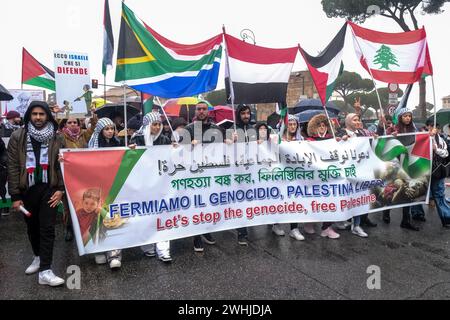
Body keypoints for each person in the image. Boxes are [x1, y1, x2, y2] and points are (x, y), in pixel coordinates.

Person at [7, 101, 65, 286]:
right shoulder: (18, 136)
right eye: (35, 114)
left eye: (42, 114)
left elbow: (62, 166)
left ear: (48, 115)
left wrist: (61, 189)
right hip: (27, 191)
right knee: (32, 227)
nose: (38, 117)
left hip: (49, 189)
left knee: (47, 228)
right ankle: (38, 257)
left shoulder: (58, 138)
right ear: (29, 116)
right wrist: (15, 196)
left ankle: (45, 271)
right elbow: (13, 167)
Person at [130, 112, 173, 262]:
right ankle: (148, 247)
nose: (157, 127)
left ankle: (163, 250)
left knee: (163, 215)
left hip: (161, 184)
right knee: (146, 215)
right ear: (147, 125)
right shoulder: (137, 139)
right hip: (143, 186)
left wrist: (174, 149)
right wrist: (131, 151)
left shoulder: (165, 139)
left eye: (159, 124)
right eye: (154, 124)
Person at [184, 102, 223, 252]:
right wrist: (188, 143)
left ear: (208, 111)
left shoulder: (216, 128)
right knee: (196, 205)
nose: (201, 111)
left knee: (208, 204)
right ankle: (196, 237)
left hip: (212, 174)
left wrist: (229, 140)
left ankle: (206, 231)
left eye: (204, 109)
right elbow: (177, 148)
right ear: (195, 111)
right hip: (195, 175)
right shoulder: (189, 129)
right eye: (199, 109)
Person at [88, 118, 123, 269]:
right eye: (106, 129)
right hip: (97, 187)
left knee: (113, 218)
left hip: (114, 186)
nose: (110, 131)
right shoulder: (92, 146)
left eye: (112, 128)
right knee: (97, 219)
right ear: (100, 131)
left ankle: (114, 254)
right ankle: (99, 250)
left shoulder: (118, 143)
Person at [60, 111, 98, 241]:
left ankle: (82, 228)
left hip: (82, 174)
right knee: (68, 205)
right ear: (65, 124)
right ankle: (69, 228)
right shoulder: (61, 137)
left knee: (80, 202)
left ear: (78, 123)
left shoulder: (83, 134)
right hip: (67, 174)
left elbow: (93, 128)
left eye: (75, 122)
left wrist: (93, 117)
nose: (72, 125)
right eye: (69, 122)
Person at [339, 113, 376, 235]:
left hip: (360, 171)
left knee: (359, 197)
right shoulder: (340, 132)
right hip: (345, 172)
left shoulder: (361, 134)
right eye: (354, 120)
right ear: (348, 121)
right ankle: (342, 220)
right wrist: (339, 140)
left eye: (358, 119)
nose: (357, 122)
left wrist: (375, 138)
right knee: (345, 198)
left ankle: (357, 225)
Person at [384, 108, 421, 231]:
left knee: (408, 190)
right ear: (400, 117)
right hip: (395, 165)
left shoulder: (414, 130)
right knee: (392, 188)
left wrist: (429, 135)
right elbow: (384, 142)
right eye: (405, 116)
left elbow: (420, 141)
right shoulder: (392, 129)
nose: (407, 118)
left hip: (408, 164)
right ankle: (386, 212)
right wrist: (391, 136)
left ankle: (406, 220)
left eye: (409, 116)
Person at [305, 114, 341, 239]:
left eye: (324, 125)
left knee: (329, 201)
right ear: (314, 127)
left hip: (329, 176)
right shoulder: (309, 141)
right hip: (314, 177)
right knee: (313, 200)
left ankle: (326, 227)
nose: (321, 127)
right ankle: (309, 223)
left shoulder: (332, 139)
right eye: (319, 125)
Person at [273, 115, 305, 241]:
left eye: (294, 124)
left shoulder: (301, 139)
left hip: (295, 176)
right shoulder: (278, 139)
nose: (292, 127)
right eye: (290, 124)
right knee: (279, 200)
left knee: (294, 201)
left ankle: (294, 228)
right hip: (280, 175)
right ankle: (276, 224)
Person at [429, 127, 450, 228]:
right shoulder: (422, 137)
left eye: (437, 127)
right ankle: (417, 214)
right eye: (432, 127)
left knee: (439, 194)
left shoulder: (441, 140)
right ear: (427, 127)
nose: (435, 129)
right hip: (423, 171)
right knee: (419, 194)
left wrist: (436, 150)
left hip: (437, 171)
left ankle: (446, 218)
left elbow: (445, 153)